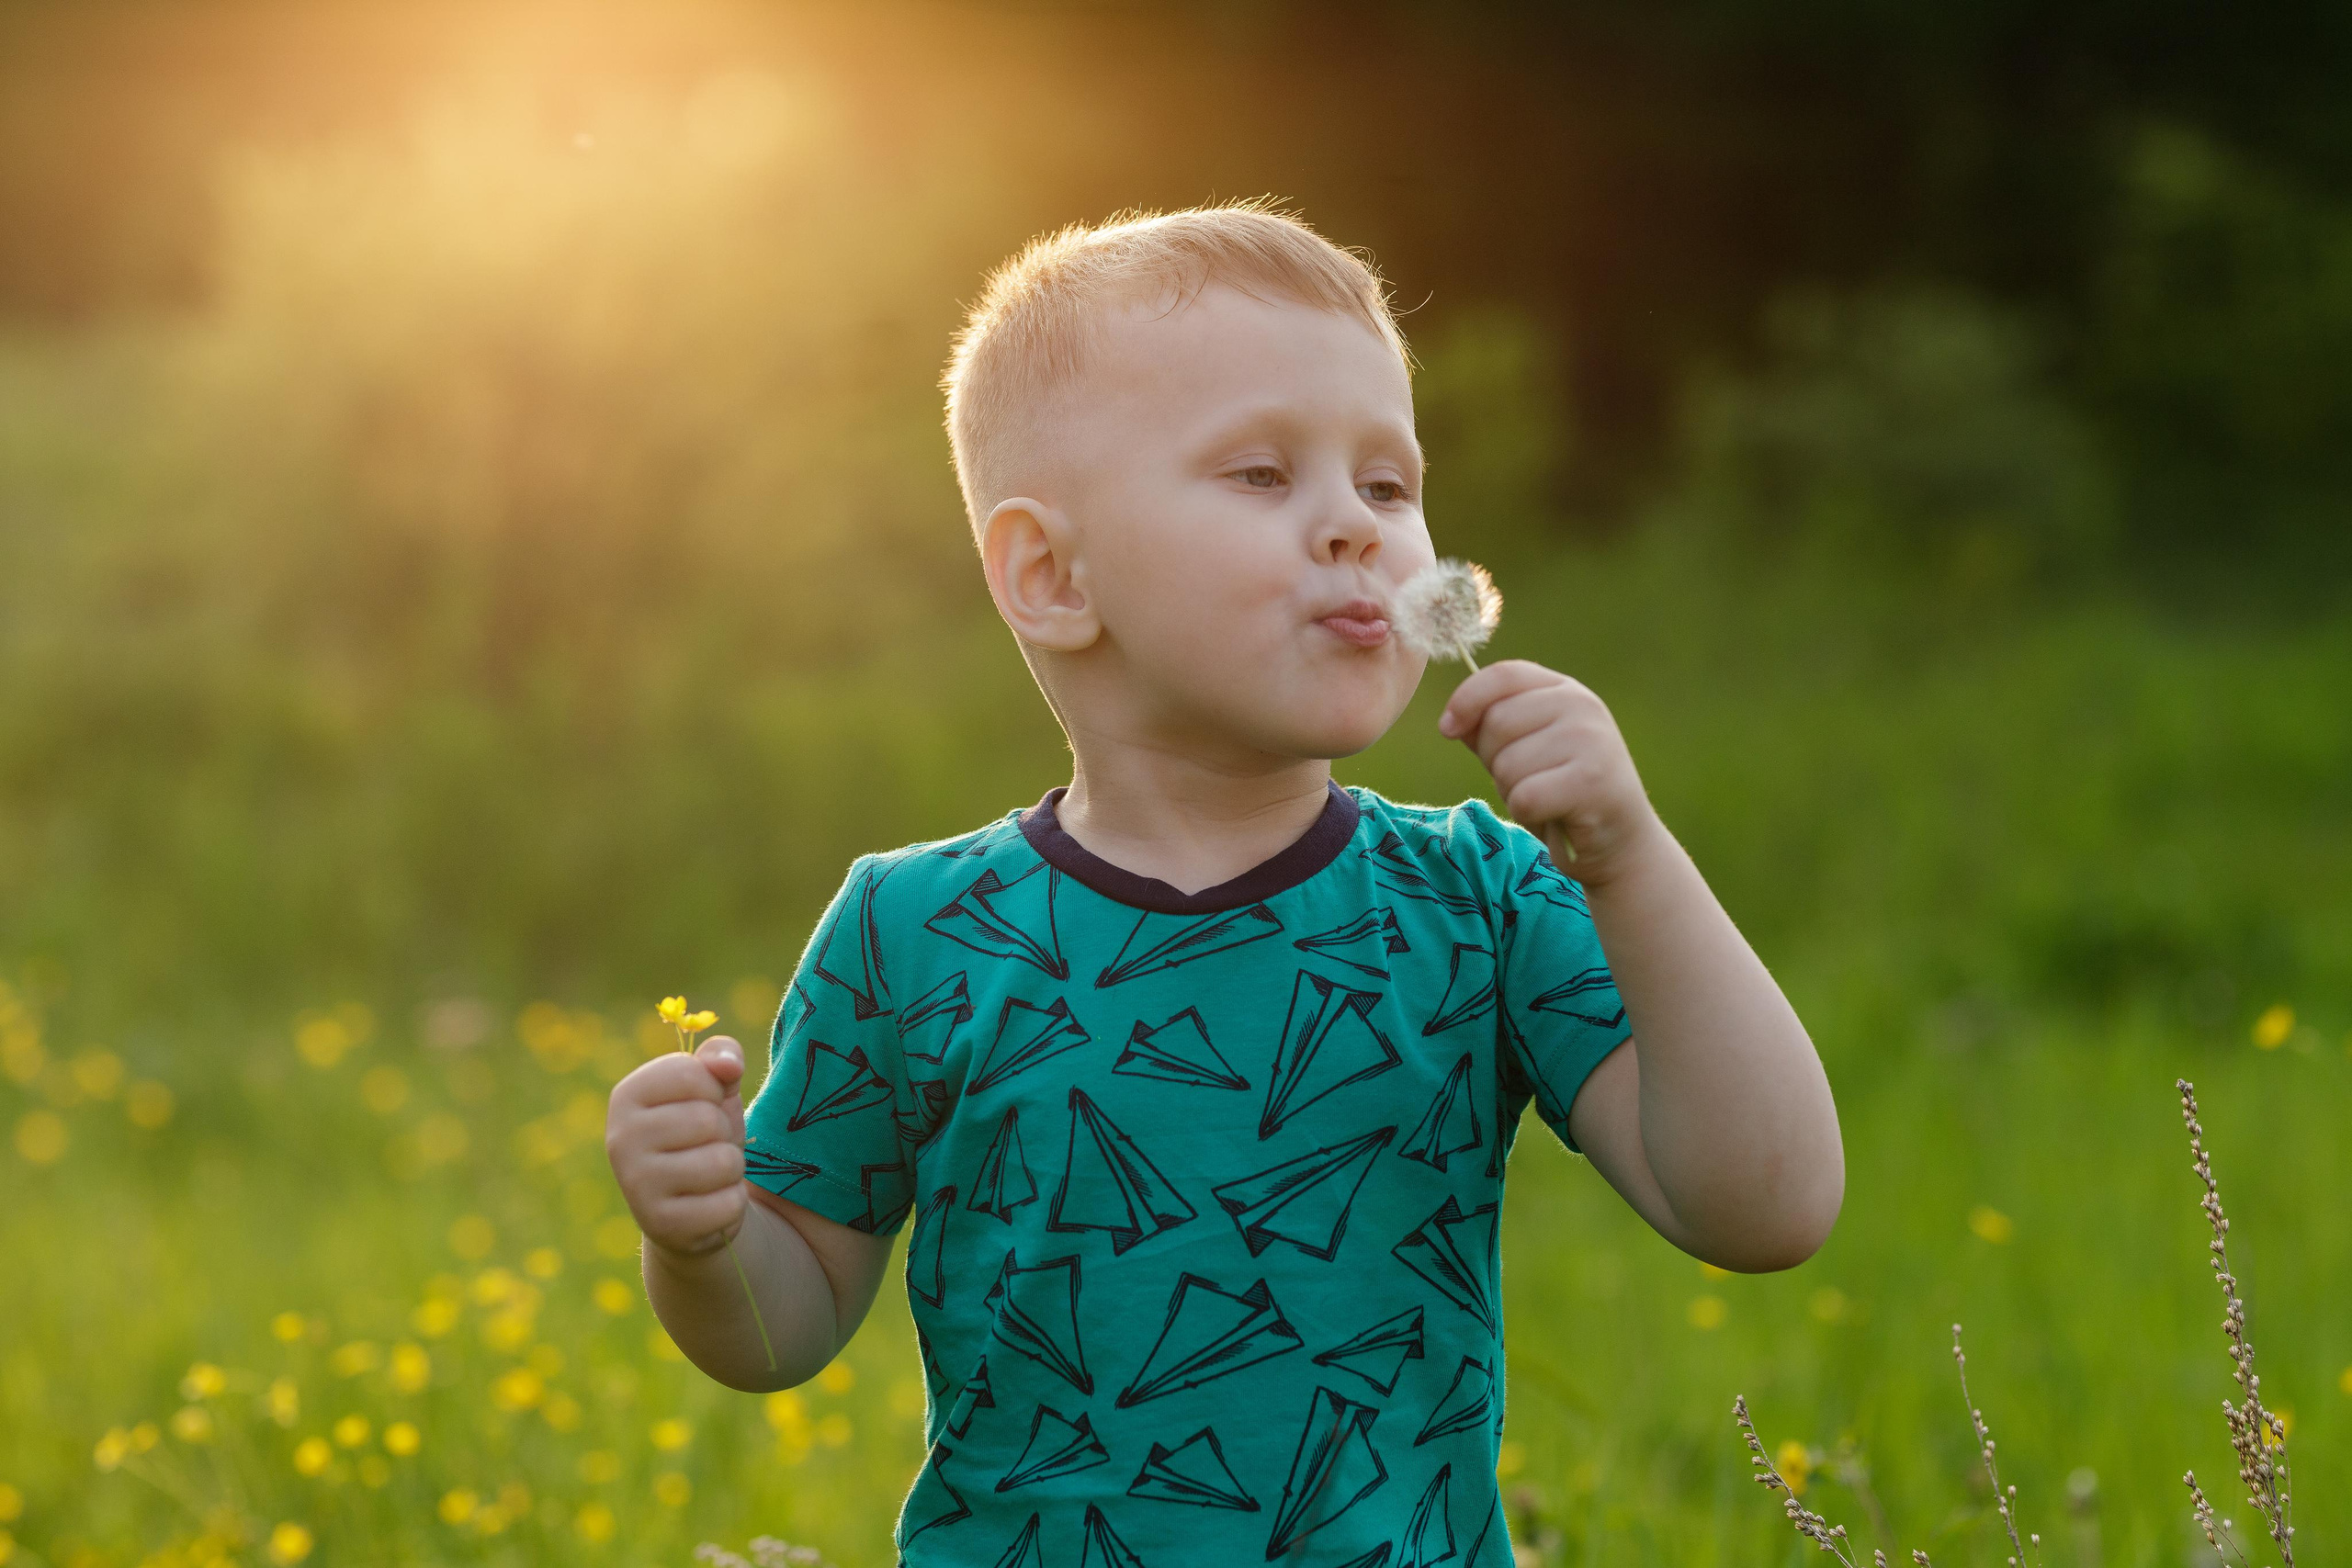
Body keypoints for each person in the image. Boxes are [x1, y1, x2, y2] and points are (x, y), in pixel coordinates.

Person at [605, 197, 1844, 1564]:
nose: (1357, 530)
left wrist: (1633, 857)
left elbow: (1767, 1207)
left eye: (1389, 485)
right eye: (1263, 475)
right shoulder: (913, 933)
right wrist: (704, 1242)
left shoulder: (1481, 901)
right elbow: (783, 1332)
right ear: (1053, 575)